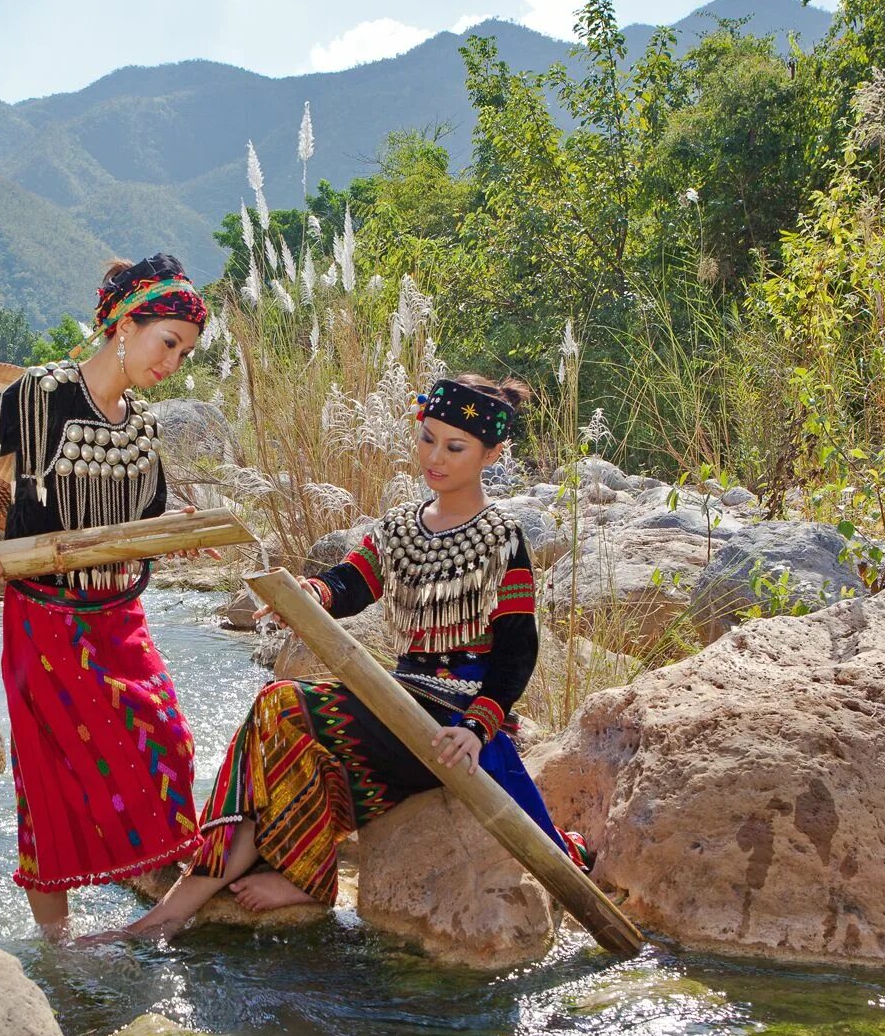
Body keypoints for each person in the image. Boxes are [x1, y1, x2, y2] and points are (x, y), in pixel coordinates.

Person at [117, 373, 586, 937]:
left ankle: (213, 891)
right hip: (402, 702)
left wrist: (481, 727)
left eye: (454, 447)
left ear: (492, 454)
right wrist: (305, 595)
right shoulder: (400, 529)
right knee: (288, 737)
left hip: (450, 722)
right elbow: (349, 583)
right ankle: (233, 873)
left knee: (281, 704)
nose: (434, 457)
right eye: (427, 438)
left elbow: (518, 648)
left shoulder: (500, 537)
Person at [0, 253, 209, 940]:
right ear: (126, 325)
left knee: (169, 744)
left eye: (185, 353)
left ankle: (155, 898)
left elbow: (145, 518)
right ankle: (60, 950)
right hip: (47, 626)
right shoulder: (42, 396)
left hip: (122, 620)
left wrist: (180, 534)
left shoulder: (142, 425)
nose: (173, 364)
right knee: (52, 785)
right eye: (168, 343)